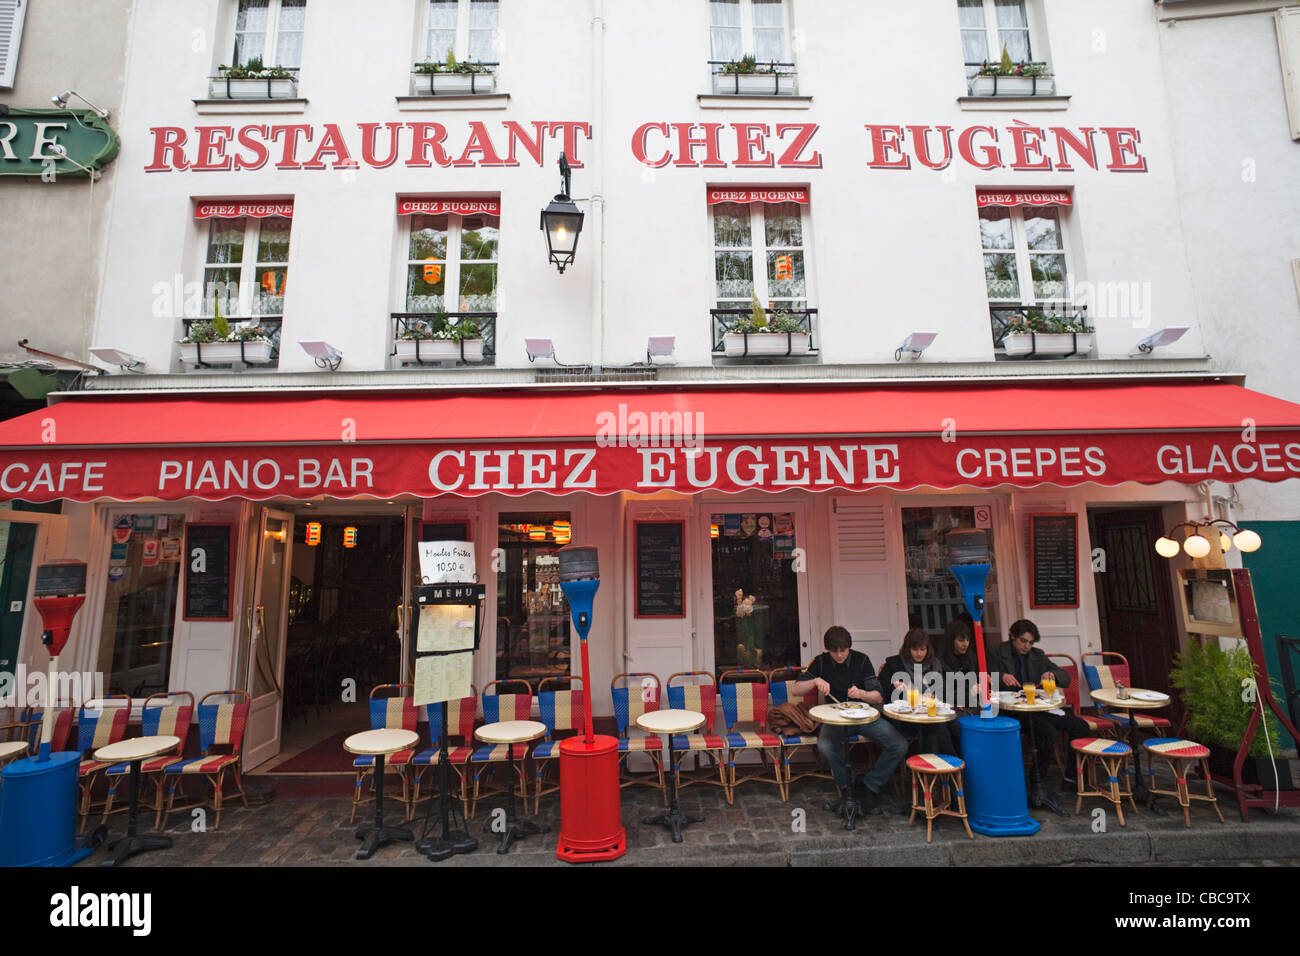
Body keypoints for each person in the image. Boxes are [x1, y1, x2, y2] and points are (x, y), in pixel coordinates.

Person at [792, 625, 908, 813]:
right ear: (828, 650)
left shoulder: (862, 660)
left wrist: (862, 693)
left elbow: (878, 697)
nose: (839, 655)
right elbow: (796, 690)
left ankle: (871, 784)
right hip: (836, 719)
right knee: (825, 745)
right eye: (834, 651)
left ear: (849, 647)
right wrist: (814, 681)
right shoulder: (821, 662)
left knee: (899, 745)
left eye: (843, 650)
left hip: (864, 717)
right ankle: (849, 785)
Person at [988, 618, 1090, 789]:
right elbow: (983, 676)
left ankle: (1071, 779)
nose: (1027, 646)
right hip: (1011, 711)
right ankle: (1037, 780)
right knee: (1047, 731)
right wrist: (1001, 677)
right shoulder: (996, 652)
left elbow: (1065, 677)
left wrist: (1052, 675)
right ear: (1012, 636)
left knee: (1081, 726)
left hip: (1037, 708)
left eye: (1030, 642)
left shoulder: (1038, 655)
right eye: (1023, 641)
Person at [878, 628, 955, 756]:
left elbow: (944, 690)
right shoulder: (894, 663)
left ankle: (946, 762)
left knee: (953, 725)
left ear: (928, 649)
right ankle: (946, 764)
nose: (919, 653)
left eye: (922, 649)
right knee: (936, 727)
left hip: (930, 712)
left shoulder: (934, 664)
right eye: (915, 649)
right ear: (907, 649)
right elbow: (882, 687)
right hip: (905, 715)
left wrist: (935, 695)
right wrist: (895, 686)